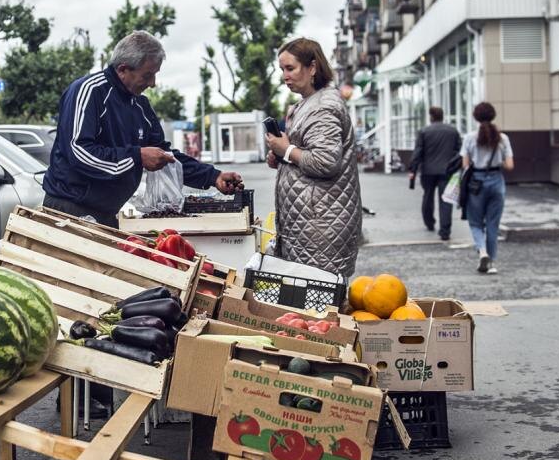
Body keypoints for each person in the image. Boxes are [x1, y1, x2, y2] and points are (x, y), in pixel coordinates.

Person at [43, 30, 243, 228]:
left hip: (108, 213)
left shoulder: (141, 106)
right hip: (70, 211)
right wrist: (137, 157)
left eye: (155, 75)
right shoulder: (88, 91)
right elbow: (79, 152)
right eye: (147, 75)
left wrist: (213, 176)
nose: (153, 84)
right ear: (123, 69)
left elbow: (165, 156)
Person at [264, 37, 362, 283]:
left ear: (312, 68)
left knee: (319, 304)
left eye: (290, 68)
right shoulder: (306, 104)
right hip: (313, 222)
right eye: (282, 70)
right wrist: (283, 154)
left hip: (321, 225)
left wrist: (286, 151)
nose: (285, 76)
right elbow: (305, 152)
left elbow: (325, 162)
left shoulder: (322, 108)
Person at [461, 102, 514, 274]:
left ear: (475, 117)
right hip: (497, 181)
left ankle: (482, 251)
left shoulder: (470, 138)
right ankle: (491, 262)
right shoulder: (503, 138)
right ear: (493, 115)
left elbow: (465, 164)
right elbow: (510, 165)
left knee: (475, 222)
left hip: (476, 182)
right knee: (493, 223)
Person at [408, 106, 461, 241]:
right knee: (445, 200)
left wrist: (412, 170)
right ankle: (445, 231)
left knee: (427, 197)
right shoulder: (452, 131)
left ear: (431, 116)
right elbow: (458, 151)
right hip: (447, 171)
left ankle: (429, 222)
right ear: (442, 116)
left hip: (428, 171)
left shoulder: (424, 131)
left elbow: (418, 152)